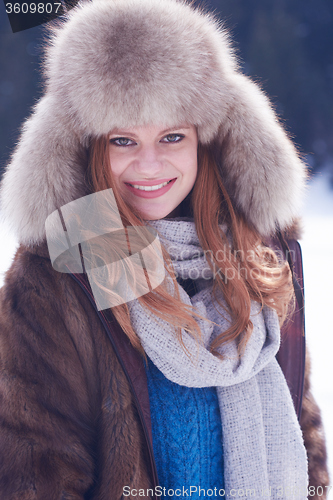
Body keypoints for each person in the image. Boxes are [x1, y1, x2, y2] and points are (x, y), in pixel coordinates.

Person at [0, 0, 329, 498]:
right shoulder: (63, 272)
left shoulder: (259, 258)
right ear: (89, 145)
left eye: (172, 136)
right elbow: (34, 473)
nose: (149, 166)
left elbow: (302, 432)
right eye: (123, 141)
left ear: (207, 140)